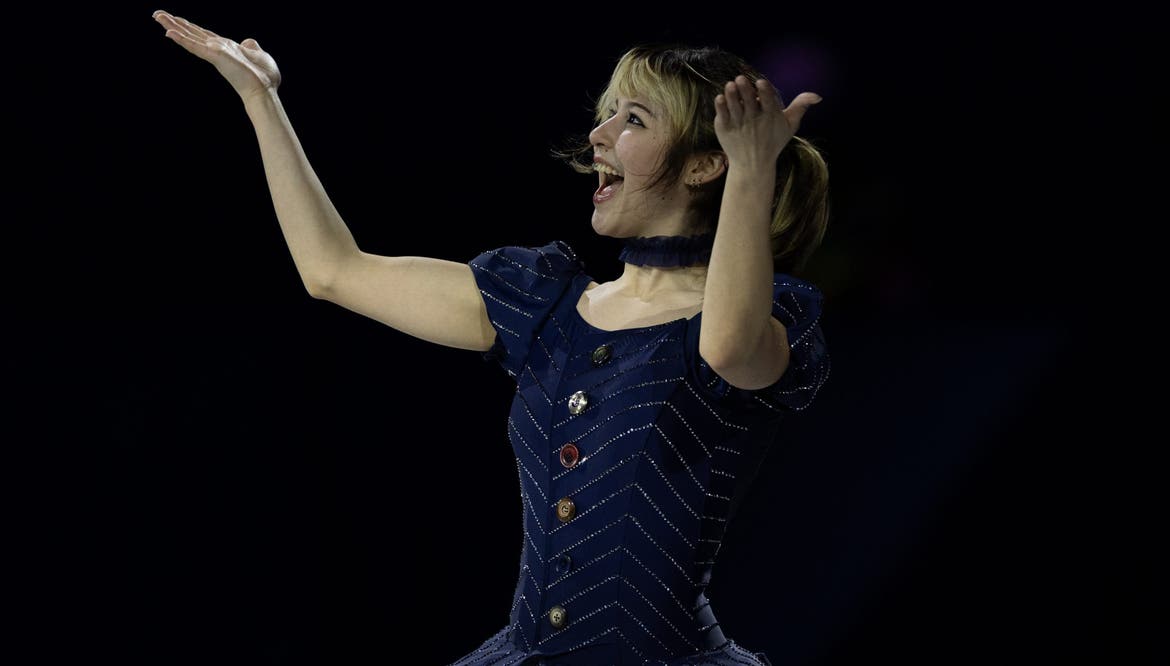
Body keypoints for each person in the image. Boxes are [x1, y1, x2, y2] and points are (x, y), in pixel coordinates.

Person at [153, 10, 831, 665]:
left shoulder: (761, 318)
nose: (599, 134)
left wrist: (752, 171)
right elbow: (333, 271)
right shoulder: (544, 305)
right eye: (608, 113)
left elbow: (729, 348)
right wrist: (261, 99)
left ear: (703, 165)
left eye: (633, 119)